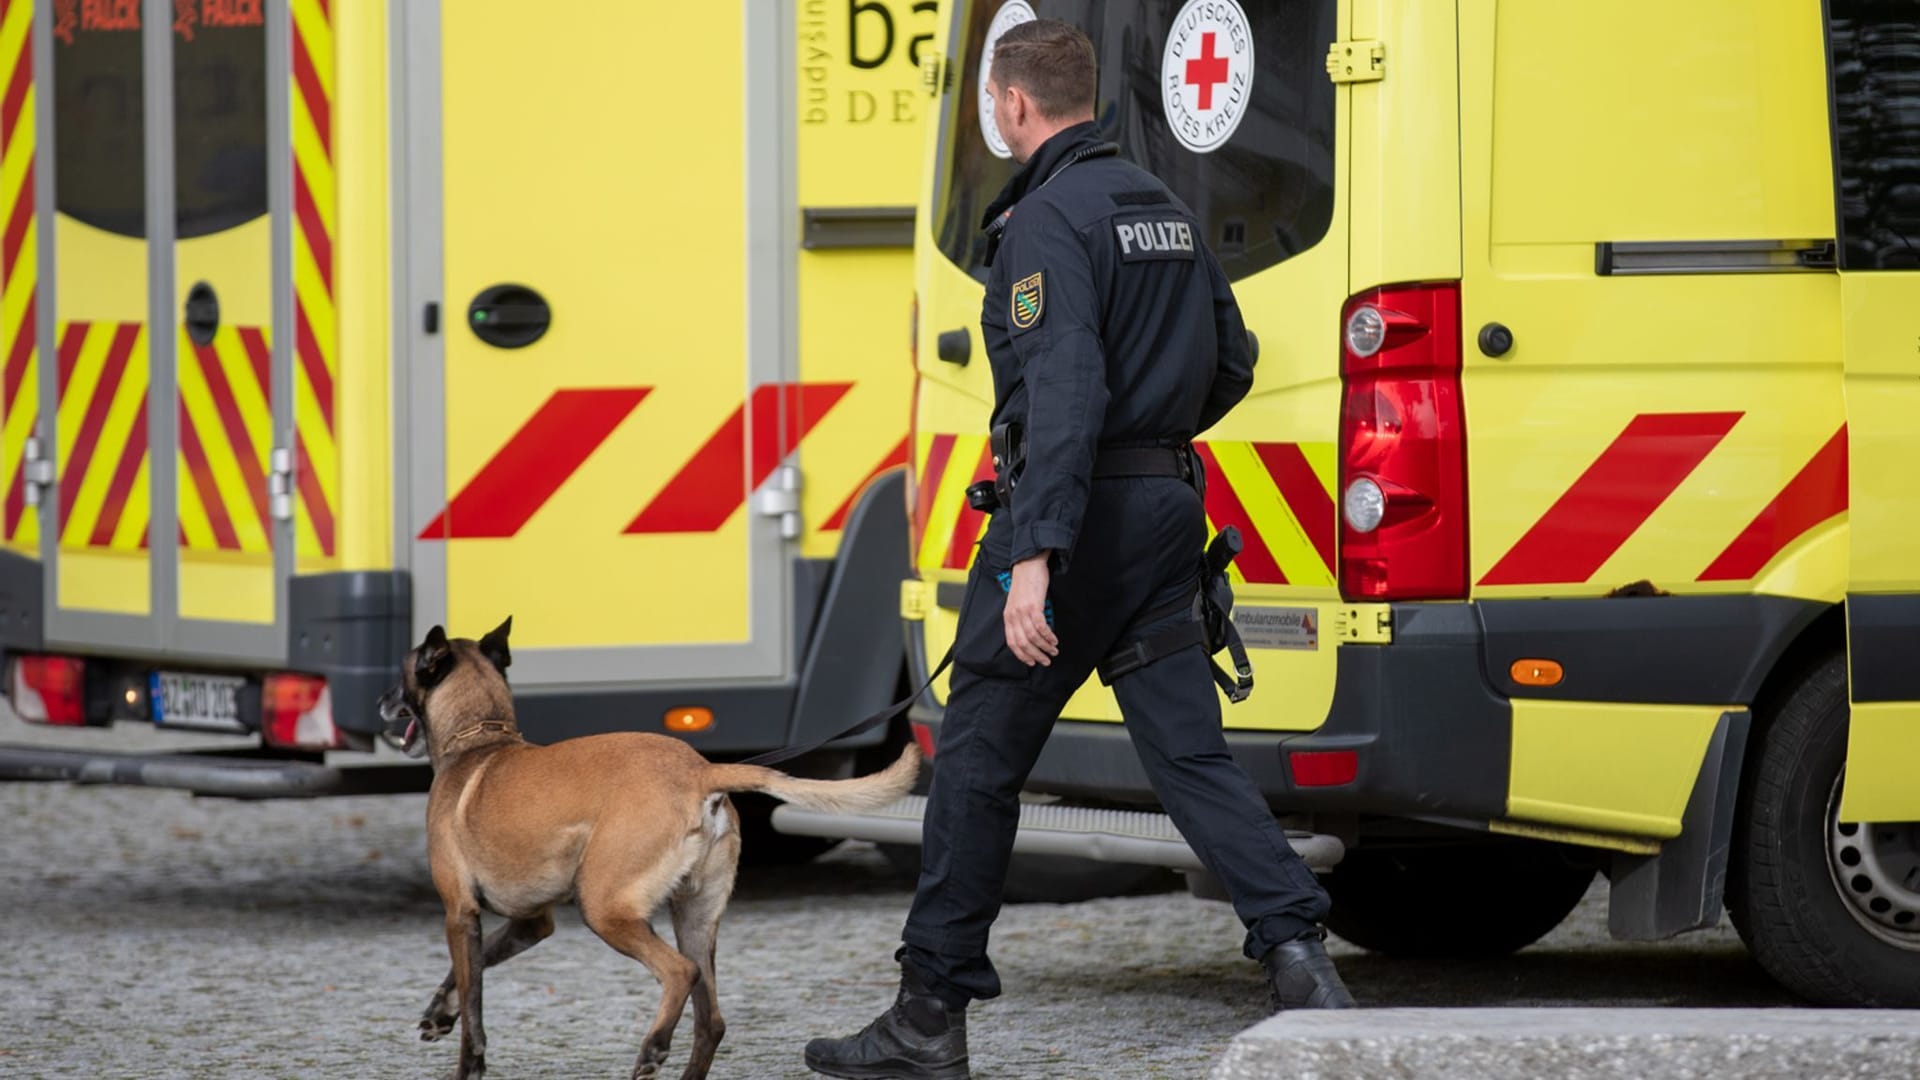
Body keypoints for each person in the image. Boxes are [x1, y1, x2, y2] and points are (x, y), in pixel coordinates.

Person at [804, 19, 1356, 1080]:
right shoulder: (1165, 210)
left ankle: (929, 1013)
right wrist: (1157, 439)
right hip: (1159, 514)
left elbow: (1062, 392)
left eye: (995, 107)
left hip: (1072, 517)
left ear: (1014, 105)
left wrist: (1039, 558)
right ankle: (1298, 957)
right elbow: (1231, 360)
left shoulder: (1045, 224)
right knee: (1190, 757)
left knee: (974, 764)